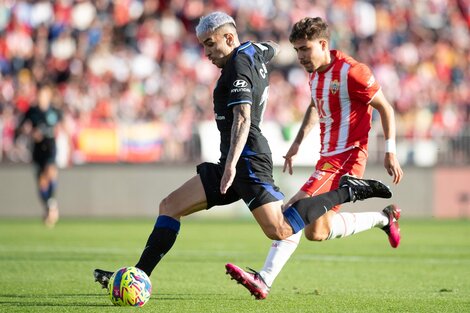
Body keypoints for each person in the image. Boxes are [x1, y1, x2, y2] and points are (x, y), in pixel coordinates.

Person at [93, 12, 392, 291]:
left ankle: (348, 193)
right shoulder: (254, 50)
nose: (207, 52)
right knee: (170, 205)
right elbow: (272, 48)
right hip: (231, 161)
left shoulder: (238, 65)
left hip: (247, 160)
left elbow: (243, 117)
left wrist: (232, 165)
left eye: (210, 44)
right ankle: (137, 277)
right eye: (203, 45)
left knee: (281, 229)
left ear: (229, 39)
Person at [225, 16, 404, 300]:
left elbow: (386, 108)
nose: (301, 57)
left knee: (293, 209)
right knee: (316, 231)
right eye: (297, 50)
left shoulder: (352, 72)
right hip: (327, 159)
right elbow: (314, 105)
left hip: (347, 158)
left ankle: (264, 279)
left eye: (305, 49)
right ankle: (384, 218)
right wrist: (296, 144)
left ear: (323, 44)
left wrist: (390, 151)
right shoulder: (315, 73)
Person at [15, 83, 63, 227]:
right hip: (37, 148)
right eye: (40, 95)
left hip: (50, 147)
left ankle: (52, 205)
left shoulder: (54, 111)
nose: (42, 97)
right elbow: (20, 128)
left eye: (44, 95)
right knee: (41, 180)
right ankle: (49, 207)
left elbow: (61, 126)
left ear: (48, 96)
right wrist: (30, 132)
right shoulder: (32, 111)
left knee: (51, 171)